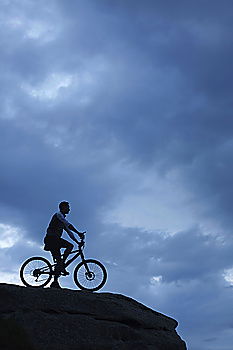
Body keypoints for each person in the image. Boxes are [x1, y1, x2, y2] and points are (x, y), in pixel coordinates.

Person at [44, 201, 85, 288]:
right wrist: (78, 233)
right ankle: (62, 264)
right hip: (52, 239)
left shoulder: (62, 219)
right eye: (67, 207)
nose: (69, 209)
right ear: (62, 208)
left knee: (59, 261)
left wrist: (77, 242)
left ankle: (55, 282)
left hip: (54, 241)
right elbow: (68, 225)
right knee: (70, 246)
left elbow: (69, 233)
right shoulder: (58, 215)